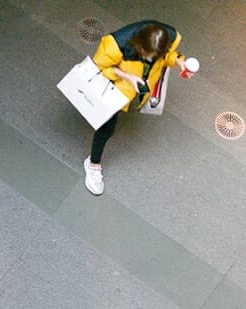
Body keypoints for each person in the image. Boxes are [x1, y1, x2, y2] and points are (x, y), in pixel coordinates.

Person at [83, 20, 193, 196]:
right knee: (106, 129)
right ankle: (93, 165)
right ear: (139, 44)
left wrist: (179, 62)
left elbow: (168, 56)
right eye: (147, 54)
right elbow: (97, 68)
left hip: (134, 87)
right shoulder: (116, 45)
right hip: (115, 89)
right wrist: (126, 76)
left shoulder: (166, 39)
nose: (151, 58)